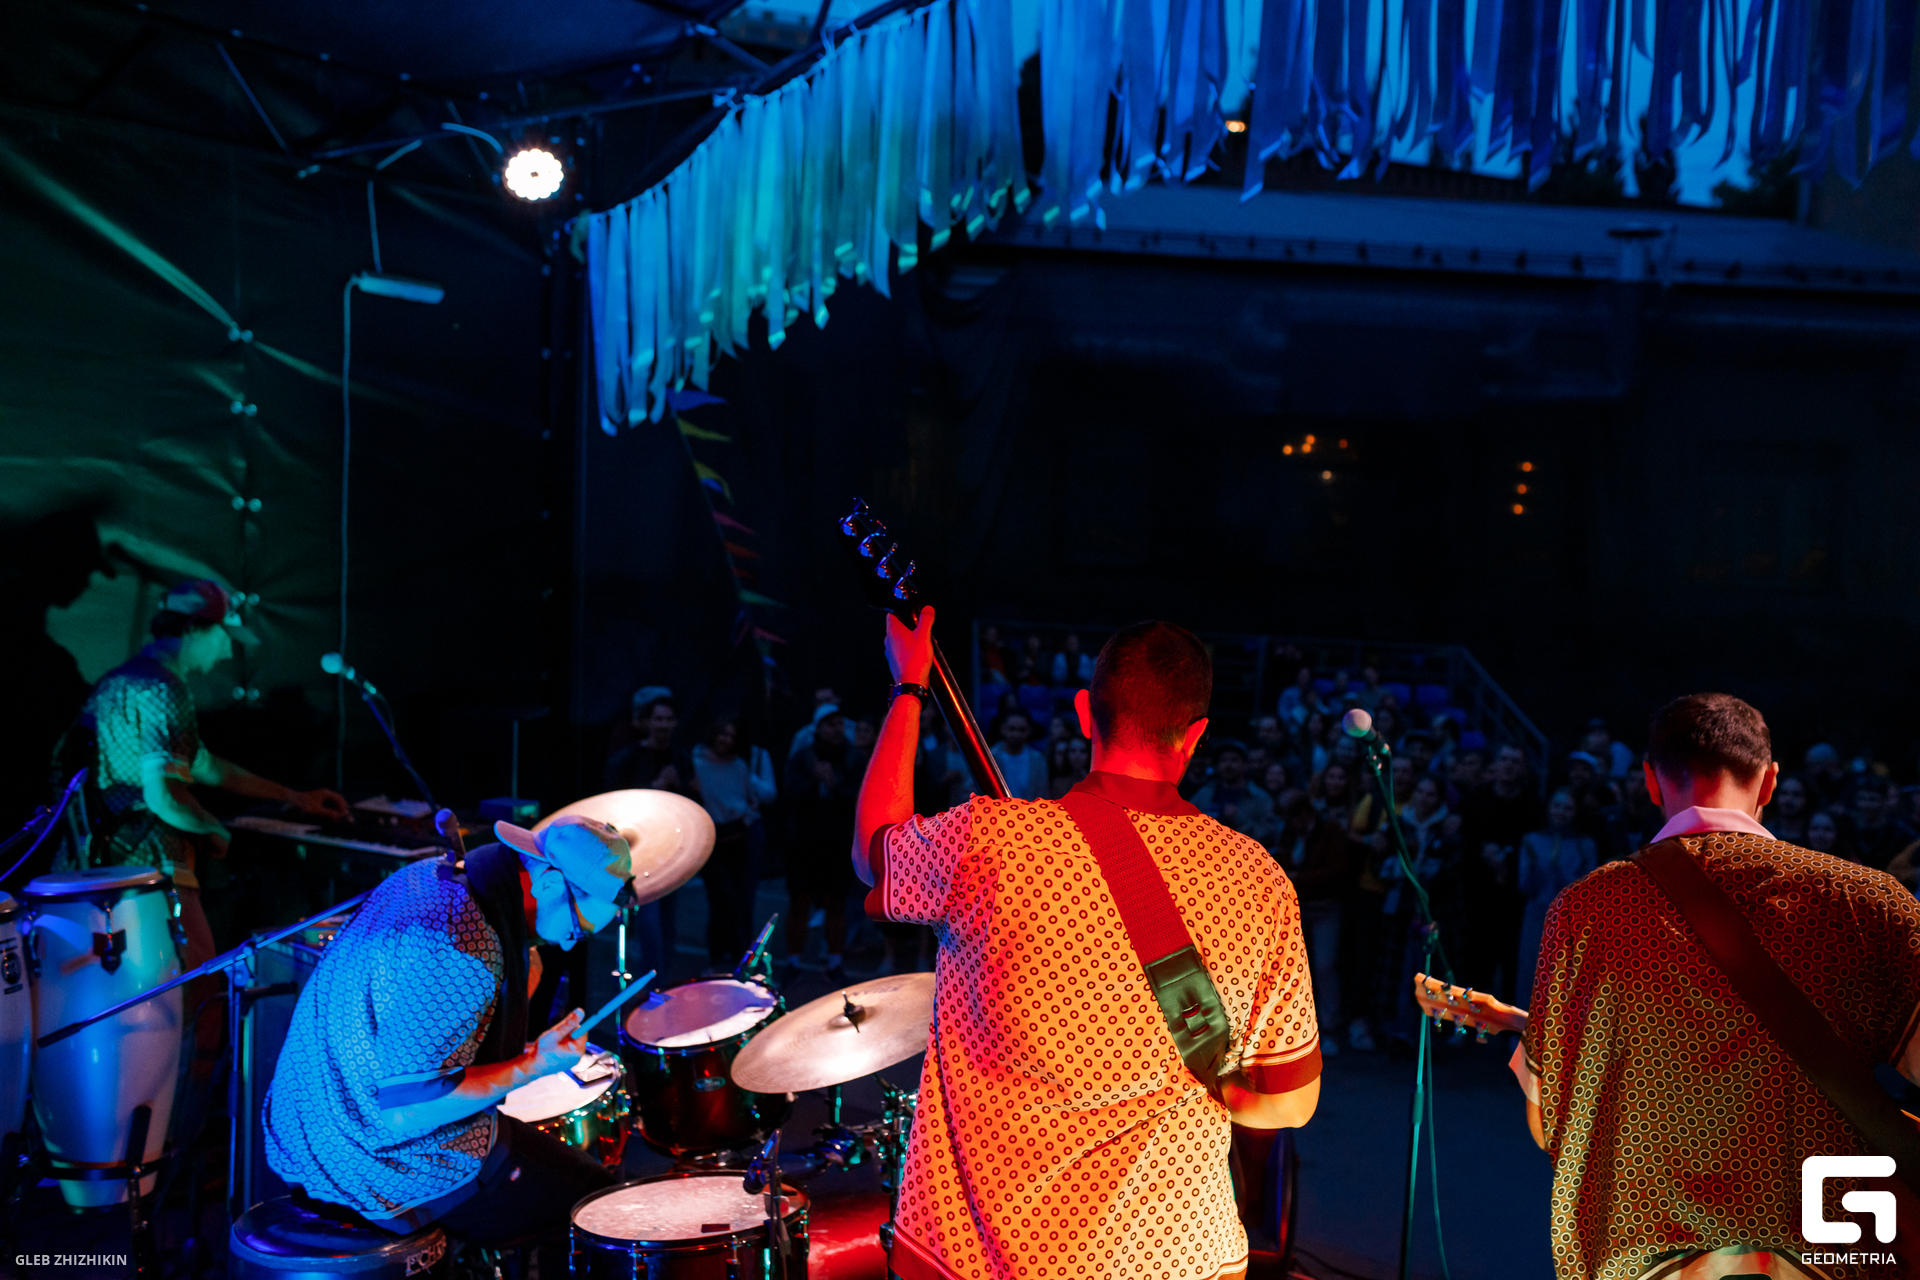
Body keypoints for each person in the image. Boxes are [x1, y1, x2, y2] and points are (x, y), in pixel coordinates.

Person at [854, 613, 1320, 1280]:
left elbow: (874, 849)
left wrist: (909, 687)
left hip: (987, 1258)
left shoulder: (989, 842)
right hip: (1180, 1258)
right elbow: (1289, 1101)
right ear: (1195, 735)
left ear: (1083, 712)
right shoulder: (1258, 880)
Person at [1513, 692, 1920, 1280]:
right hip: (1831, 1248)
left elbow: (1549, 1115)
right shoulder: (1867, 902)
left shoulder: (1588, 910)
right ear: (1770, 781)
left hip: (1649, 1252)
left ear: (1650, 782)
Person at [264, 816, 631, 1273]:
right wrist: (535, 1064)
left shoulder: (434, 877)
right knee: (596, 1209)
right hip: (367, 1162)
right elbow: (407, 1111)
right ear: (550, 883)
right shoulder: (460, 948)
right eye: (576, 929)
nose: (571, 945)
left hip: (305, 1126)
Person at [65, 580, 348, 968]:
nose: (228, 651)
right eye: (224, 636)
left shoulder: (119, 681)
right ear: (194, 629)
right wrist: (215, 829)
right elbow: (164, 797)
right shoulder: (165, 688)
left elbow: (205, 765)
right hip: (153, 865)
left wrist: (296, 797)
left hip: (105, 864)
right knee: (199, 982)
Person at [1456, 744, 1544, 1002]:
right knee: (1474, 963)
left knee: (1510, 964)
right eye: (1504, 759)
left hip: (1514, 900)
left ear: (1523, 768)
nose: (1508, 766)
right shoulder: (1475, 800)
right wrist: (1481, 851)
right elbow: (1461, 839)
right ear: (1495, 764)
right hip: (1477, 895)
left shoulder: (1533, 806)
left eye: (1515, 761)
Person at [783, 707, 862, 982]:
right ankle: (793, 962)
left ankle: (834, 962)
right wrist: (813, 781)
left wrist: (833, 783)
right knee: (799, 901)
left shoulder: (854, 757)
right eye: (830, 724)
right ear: (817, 728)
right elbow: (789, 795)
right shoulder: (802, 757)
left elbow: (859, 798)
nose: (836, 728)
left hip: (837, 842)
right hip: (803, 842)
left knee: (836, 902)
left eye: (840, 723)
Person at [690, 717, 777, 966]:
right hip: (712, 839)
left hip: (738, 837)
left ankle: (740, 959)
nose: (726, 740)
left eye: (731, 735)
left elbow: (754, 796)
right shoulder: (697, 764)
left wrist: (745, 816)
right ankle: (719, 957)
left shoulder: (739, 765)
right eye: (723, 734)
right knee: (722, 898)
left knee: (741, 899)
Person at [1513, 790, 1596, 1008]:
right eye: (1557, 806)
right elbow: (1524, 885)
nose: (1561, 812)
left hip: (1570, 921)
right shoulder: (1531, 840)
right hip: (1536, 916)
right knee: (1530, 972)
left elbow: (1588, 889)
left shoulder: (1585, 845)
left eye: (1567, 808)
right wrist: (1536, 871)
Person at [1191, 739, 1277, 847]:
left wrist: (1238, 818)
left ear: (1245, 765)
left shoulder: (1259, 797)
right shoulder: (1204, 794)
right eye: (1223, 760)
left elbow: (1269, 837)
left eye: (1234, 760)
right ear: (1217, 765)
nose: (1228, 765)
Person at [606, 695, 691, 794]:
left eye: (669, 719)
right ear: (648, 721)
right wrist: (652, 786)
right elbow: (613, 793)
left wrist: (678, 784)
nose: (664, 725)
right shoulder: (627, 758)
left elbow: (694, 793)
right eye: (659, 719)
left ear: (676, 722)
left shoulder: (681, 758)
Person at [1841, 773, 1917, 871]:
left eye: (1872, 799)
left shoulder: (1900, 833)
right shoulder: (1847, 827)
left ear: (1884, 801)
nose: (1866, 805)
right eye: (1862, 799)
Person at [989, 710, 1049, 801]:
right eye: (1012, 729)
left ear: (1029, 731)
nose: (1016, 734)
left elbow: (1042, 795)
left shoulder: (1038, 760)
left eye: (1021, 730)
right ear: (1003, 729)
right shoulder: (990, 758)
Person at [1760, 772, 1810, 845]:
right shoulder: (1765, 833)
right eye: (1784, 793)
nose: (1789, 799)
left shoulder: (1815, 833)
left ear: (1806, 798)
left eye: (1796, 794)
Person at [1047, 735, 1091, 801]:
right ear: (1067, 754)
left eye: (1082, 751)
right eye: (1073, 751)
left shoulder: (1096, 783)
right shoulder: (1058, 784)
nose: (1077, 755)